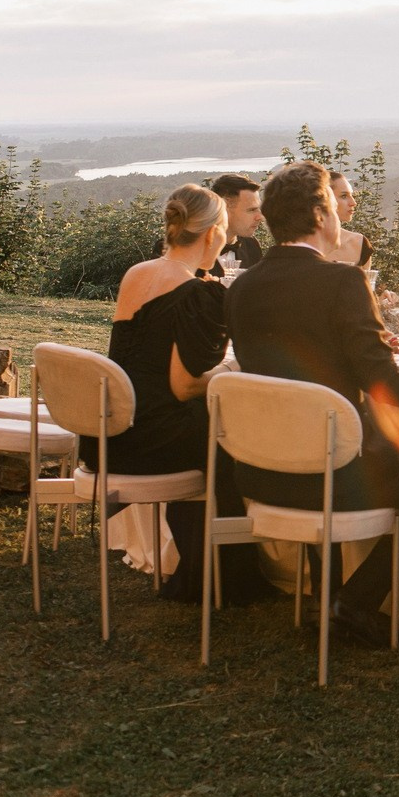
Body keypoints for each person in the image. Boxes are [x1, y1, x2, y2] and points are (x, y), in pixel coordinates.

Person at [224, 161, 399, 648]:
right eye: (334, 207)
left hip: (260, 469)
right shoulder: (342, 282)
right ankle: (354, 602)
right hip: (332, 472)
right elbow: (384, 384)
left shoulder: (242, 286)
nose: (338, 217)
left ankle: (330, 596)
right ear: (318, 215)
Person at [102, 184, 270, 603]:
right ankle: (227, 576)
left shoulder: (138, 273)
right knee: (234, 436)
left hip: (116, 428)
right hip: (154, 437)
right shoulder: (199, 293)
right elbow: (184, 386)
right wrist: (233, 369)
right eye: (224, 232)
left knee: (209, 428)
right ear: (212, 234)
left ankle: (201, 568)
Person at [148, 173, 264, 279]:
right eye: (251, 210)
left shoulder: (252, 246)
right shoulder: (178, 246)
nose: (260, 217)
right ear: (225, 206)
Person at [324, 172, 373, 269]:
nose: (353, 203)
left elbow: (368, 278)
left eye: (351, 195)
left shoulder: (359, 244)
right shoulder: (298, 244)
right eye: (344, 196)